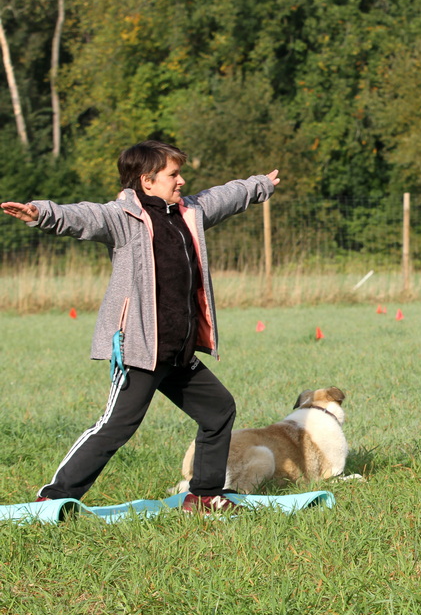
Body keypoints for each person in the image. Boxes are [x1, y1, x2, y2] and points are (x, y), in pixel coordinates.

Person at [1, 141, 280, 512]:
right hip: (141, 350)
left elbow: (224, 196)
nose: (181, 181)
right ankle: (51, 500)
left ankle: (204, 495)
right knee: (115, 428)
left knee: (218, 410)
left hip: (178, 351)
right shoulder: (122, 218)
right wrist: (41, 213)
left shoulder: (188, 213)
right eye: (173, 175)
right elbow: (83, 217)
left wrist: (259, 184)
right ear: (147, 181)